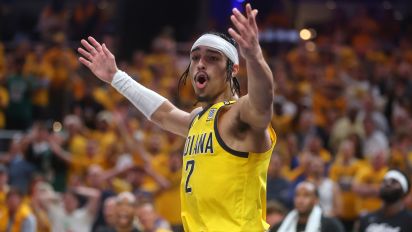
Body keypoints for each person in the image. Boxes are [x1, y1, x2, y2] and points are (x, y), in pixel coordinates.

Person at [78, 3, 276, 231]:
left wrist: (255, 56)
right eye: (195, 58)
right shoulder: (198, 119)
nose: (200, 63)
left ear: (232, 69)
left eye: (212, 58)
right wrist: (116, 77)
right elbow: (164, 114)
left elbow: (263, 102)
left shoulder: (240, 115)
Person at [271, 181, 344, 232]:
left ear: (316, 200)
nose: (300, 200)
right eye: (297, 195)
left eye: (306, 195)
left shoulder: (331, 226)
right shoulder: (281, 226)